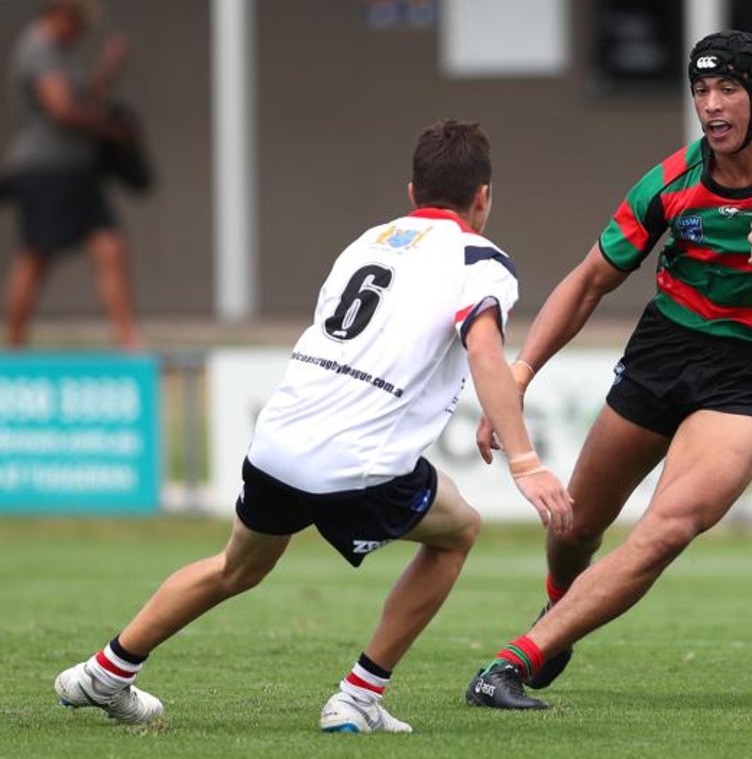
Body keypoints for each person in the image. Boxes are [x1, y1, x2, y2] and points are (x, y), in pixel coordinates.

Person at [53, 119, 573, 732]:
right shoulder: (482, 261)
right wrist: (525, 462)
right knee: (458, 530)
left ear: (412, 191)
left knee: (235, 567)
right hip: (352, 461)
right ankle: (356, 699)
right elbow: (483, 350)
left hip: (278, 441)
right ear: (484, 196)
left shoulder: (369, 241)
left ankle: (105, 673)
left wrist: (491, 407)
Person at [465, 29, 752, 710]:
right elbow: (588, 281)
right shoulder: (672, 182)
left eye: (727, 88)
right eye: (701, 90)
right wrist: (520, 375)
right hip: (664, 351)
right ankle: (558, 612)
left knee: (669, 527)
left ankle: (513, 662)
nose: (712, 105)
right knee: (574, 528)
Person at [3, 0, 142, 349]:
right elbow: (62, 110)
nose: (80, 33)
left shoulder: (57, 54)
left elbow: (80, 99)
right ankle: (14, 346)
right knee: (36, 257)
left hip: (76, 172)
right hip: (47, 171)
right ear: (61, 16)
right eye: (78, 25)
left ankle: (128, 341)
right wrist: (109, 129)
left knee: (110, 247)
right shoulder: (38, 48)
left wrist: (108, 70)